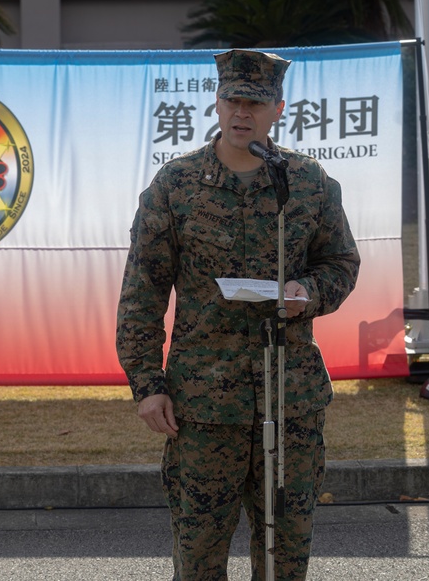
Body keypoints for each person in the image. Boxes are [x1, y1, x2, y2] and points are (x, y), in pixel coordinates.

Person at [116, 50, 360, 580]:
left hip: (289, 398)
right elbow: (142, 292)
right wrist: (147, 384)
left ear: (279, 108)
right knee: (199, 557)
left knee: (284, 557)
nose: (241, 112)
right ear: (217, 102)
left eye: (255, 101)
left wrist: (309, 293)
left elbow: (340, 262)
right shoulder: (176, 186)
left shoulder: (308, 181)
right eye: (232, 99)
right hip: (204, 407)